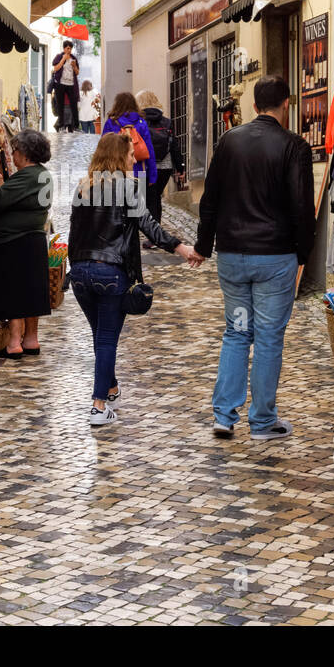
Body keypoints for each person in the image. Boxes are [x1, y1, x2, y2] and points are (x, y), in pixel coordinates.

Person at [196, 76, 315, 441]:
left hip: (233, 257)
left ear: (253, 105)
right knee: (267, 337)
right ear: (287, 104)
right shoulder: (294, 146)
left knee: (237, 331)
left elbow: (210, 199)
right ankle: (262, 422)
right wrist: (303, 254)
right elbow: (302, 207)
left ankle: (224, 416)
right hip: (275, 259)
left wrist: (204, 245)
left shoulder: (229, 142)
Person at [68, 133, 203, 426]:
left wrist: (75, 269)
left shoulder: (83, 187)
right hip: (109, 272)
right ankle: (98, 406)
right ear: (119, 157)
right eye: (130, 155)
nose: (134, 159)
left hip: (80, 274)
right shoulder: (127, 188)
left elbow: (73, 234)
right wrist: (182, 249)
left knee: (101, 336)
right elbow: (150, 227)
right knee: (106, 340)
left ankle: (111, 388)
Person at [0, 129, 53, 358]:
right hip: (32, 241)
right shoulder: (41, 175)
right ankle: (31, 339)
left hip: (13, 242)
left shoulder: (28, 175)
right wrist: (4, 183)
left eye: (15, 151)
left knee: (14, 290)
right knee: (32, 291)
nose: (13, 155)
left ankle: (14, 342)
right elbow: (20, 200)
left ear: (24, 152)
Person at [136, 91, 185, 237]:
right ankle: (154, 232)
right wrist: (180, 167)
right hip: (165, 166)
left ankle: (149, 232)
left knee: (145, 198)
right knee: (156, 198)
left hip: (145, 166)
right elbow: (174, 145)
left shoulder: (139, 121)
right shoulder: (167, 122)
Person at [100, 92, 157, 187]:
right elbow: (149, 150)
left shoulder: (111, 123)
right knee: (139, 200)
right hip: (139, 171)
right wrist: (152, 176)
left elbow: (103, 148)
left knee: (116, 198)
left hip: (115, 170)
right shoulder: (141, 122)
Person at [49, 41, 81, 132]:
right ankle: (61, 126)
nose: (69, 50)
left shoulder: (73, 58)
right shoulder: (59, 56)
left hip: (71, 84)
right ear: (64, 48)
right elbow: (55, 69)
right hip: (61, 84)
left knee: (74, 105)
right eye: (67, 48)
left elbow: (77, 73)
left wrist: (74, 66)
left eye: (70, 48)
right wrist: (63, 59)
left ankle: (76, 127)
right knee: (60, 105)